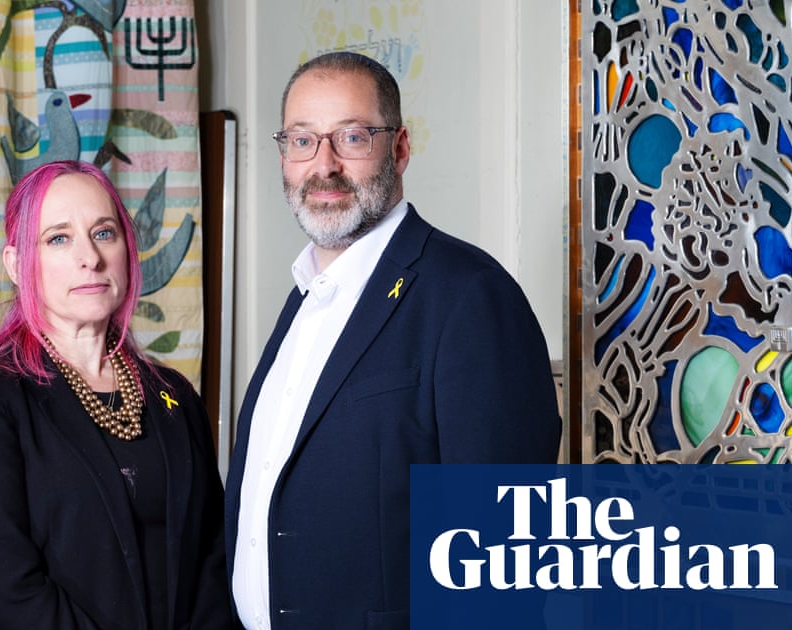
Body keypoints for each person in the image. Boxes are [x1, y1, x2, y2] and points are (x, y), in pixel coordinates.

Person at [224, 52, 561, 629]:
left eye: (352, 137)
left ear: (400, 149)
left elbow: (502, 563)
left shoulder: (470, 298)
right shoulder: (306, 295)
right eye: (302, 140)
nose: (324, 165)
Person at [0, 160, 234, 629]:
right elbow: (7, 590)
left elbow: (214, 561)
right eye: (59, 238)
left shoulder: (174, 395)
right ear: (17, 264)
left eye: (104, 233)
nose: (90, 257)